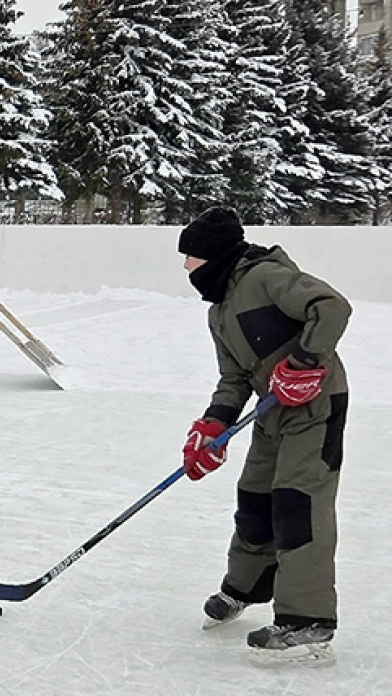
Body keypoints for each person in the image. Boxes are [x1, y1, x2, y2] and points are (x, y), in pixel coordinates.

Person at [178, 208, 350, 660]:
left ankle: (307, 619)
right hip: (272, 411)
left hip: (315, 406)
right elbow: (234, 378)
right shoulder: (219, 310)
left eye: (191, 256)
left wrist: (305, 362)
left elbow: (331, 306)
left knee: (298, 502)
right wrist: (214, 424)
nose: (186, 266)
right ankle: (248, 585)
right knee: (255, 498)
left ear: (214, 256)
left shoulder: (266, 277)